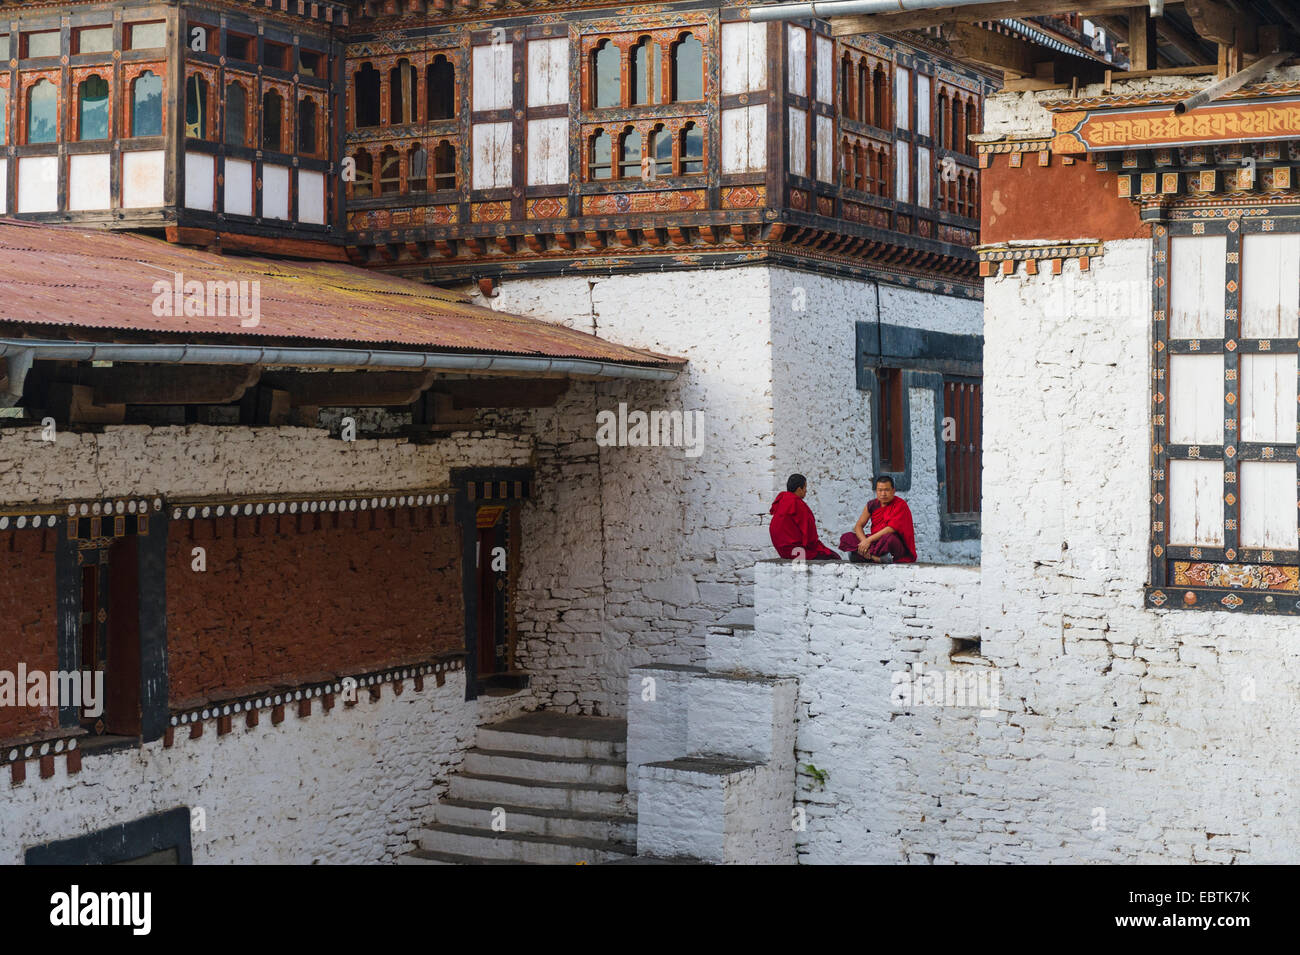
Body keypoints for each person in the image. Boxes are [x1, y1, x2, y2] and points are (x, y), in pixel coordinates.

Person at [769, 473, 840, 560]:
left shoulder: (782, 501)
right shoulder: (797, 504)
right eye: (805, 487)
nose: (806, 491)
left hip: (783, 551)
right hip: (797, 551)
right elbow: (810, 535)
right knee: (834, 557)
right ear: (799, 489)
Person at [846, 475, 916, 563]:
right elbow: (858, 526)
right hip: (875, 542)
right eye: (880, 490)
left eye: (886, 490)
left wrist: (868, 541)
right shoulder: (872, 505)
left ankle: (865, 555)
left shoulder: (900, 505)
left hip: (892, 544)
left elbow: (890, 529)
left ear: (893, 491)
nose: (883, 494)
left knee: (889, 538)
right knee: (847, 537)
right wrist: (864, 542)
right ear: (876, 491)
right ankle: (877, 558)